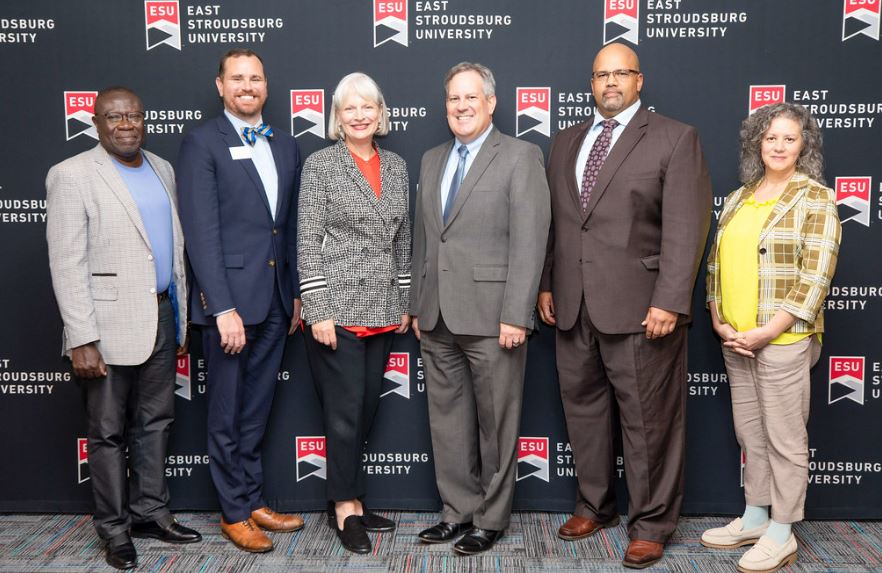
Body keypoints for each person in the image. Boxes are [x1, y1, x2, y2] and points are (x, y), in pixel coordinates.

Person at [537, 43, 711, 569]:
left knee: (648, 420)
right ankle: (595, 503)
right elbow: (558, 226)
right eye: (600, 75)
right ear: (591, 83)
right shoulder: (565, 142)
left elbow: (687, 228)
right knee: (584, 412)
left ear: (640, 80)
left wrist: (670, 300)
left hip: (642, 309)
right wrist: (547, 284)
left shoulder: (674, 138)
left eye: (621, 73)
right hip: (573, 305)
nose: (610, 82)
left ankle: (651, 523)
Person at [46, 86, 201, 570]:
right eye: (115, 117)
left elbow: (171, 249)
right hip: (104, 328)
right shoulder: (71, 175)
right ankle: (114, 530)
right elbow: (67, 263)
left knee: (156, 423)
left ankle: (151, 511)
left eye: (134, 115)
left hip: (161, 314)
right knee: (108, 432)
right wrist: (82, 337)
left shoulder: (163, 168)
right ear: (96, 122)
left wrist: (181, 314)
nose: (127, 124)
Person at [410, 62, 551, 555]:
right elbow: (426, 240)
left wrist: (517, 313)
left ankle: (490, 519)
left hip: (495, 317)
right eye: (453, 98)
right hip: (436, 315)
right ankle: (458, 511)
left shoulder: (519, 155)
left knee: (496, 425)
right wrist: (415, 304)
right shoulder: (431, 159)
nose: (462, 106)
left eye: (471, 98)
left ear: (492, 103)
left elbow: (531, 242)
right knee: (446, 422)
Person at [701, 102, 841, 573]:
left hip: (781, 339)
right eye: (770, 138)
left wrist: (771, 330)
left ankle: (782, 530)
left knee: (784, 437)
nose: (778, 146)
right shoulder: (740, 196)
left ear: (805, 146)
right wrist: (718, 317)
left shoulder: (815, 198)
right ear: (756, 144)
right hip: (736, 337)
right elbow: (717, 263)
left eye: (789, 138)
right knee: (751, 433)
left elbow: (815, 276)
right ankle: (756, 515)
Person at [176, 48, 303, 553]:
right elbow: (202, 233)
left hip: (274, 302)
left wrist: (292, 295)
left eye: (255, 79)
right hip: (229, 306)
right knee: (226, 412)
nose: (247, 86)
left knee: (255, 410)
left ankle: (251, 499)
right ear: (220, 86)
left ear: (266, 87)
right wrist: (220, 306)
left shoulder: (285, 145)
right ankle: (232, 511)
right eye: (237, 79)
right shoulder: (203, 142)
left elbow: (286, 227)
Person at [297, 72, 411, 554]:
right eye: (350, 108)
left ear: (381, 114)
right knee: (343, 414)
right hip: (337, 309)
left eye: (369, 107)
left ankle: (351, 499)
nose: (361, 115)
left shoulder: (399, 166)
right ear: (338, 118)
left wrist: (404, 299)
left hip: (383, 306)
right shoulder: (321, 166)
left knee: (364, 411)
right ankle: (345, 508)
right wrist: (318, 308)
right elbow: (306, 239)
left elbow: (404, 239)